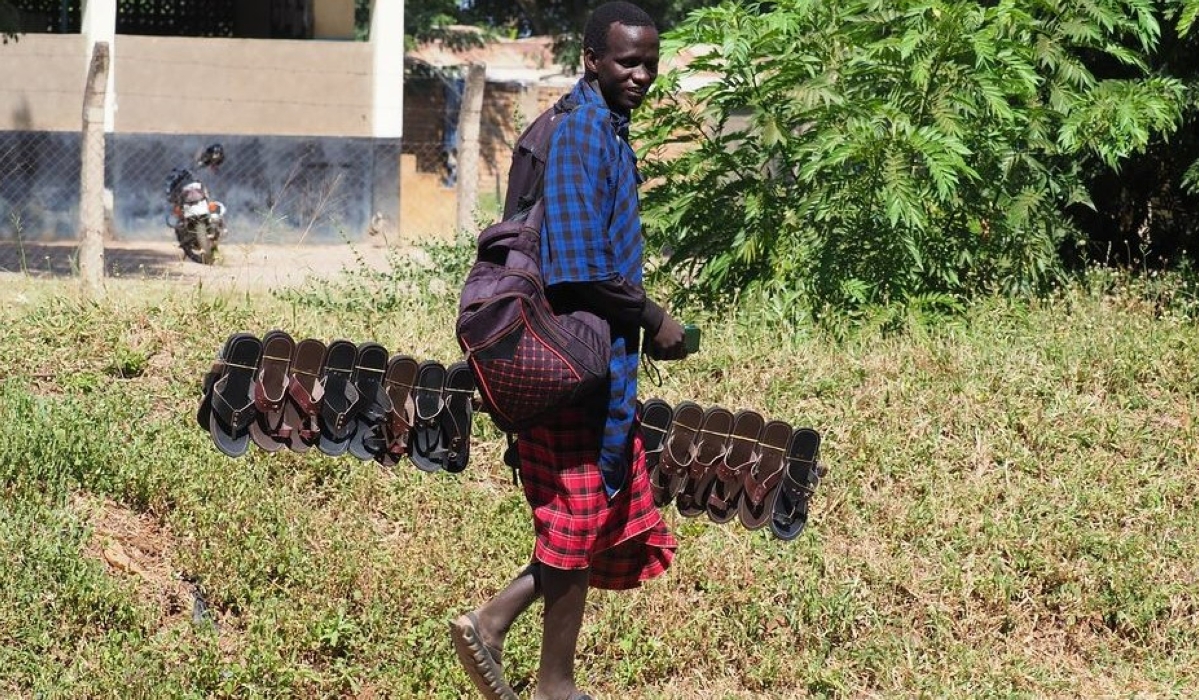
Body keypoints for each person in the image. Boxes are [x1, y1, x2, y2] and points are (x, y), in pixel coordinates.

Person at [449, 3, 689, 700]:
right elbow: (580, 268)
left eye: (650, 62)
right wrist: (657, 320)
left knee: (589, 511)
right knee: (579, 513)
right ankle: (531, 662)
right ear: (591, 59)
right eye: (626, 62)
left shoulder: (593, 125)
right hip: (567, 359)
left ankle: (526, 652)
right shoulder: (584, 132)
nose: (641, 75)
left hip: (573, 356)